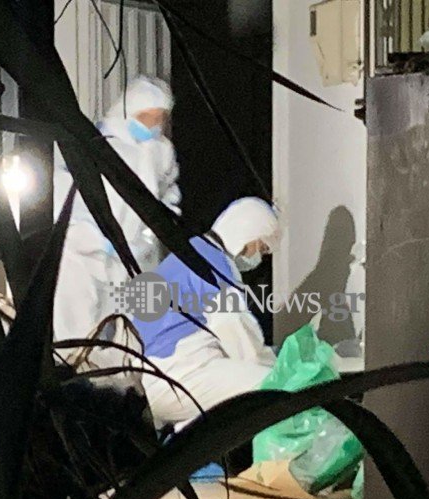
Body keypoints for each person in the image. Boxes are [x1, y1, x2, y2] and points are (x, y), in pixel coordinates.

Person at [133, 197, 281, 430]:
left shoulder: (190, 252)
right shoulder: (215, 267)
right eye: (261, 247)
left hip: (151, 380)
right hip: (182, 374)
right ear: (247, 235)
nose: (259, 258)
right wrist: (279, 364)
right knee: (275, 388)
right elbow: (239, 338)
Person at [53, 76, 181, 345]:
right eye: (146, 117)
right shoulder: (97, 142)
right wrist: (92, 236)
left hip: (134, 255)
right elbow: (66, 194)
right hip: (84, 252)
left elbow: (168, 198)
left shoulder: (161, 152)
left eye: (159, 118)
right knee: (78, 323)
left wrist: (147, 238)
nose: (153, 124)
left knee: (128, 327)